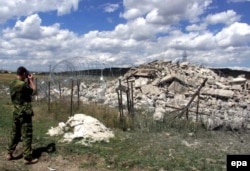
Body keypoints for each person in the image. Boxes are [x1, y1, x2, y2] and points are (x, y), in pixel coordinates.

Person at [6, 66, 38, 164]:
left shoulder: (12, 83)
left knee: (15, 134)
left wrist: (27, 81)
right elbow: (34, 92)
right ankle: (27, 158)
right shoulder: (23, 85)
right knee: (27, 135)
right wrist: (31, 81)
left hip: (16, 112)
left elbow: (23, 94)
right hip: (24, 113)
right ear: (24, 74)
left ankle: (9, 153)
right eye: (26, 75)